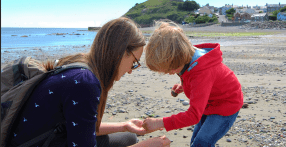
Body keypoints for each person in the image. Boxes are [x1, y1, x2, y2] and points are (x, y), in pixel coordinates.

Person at [10, 17, 171, 147]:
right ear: (122, 53)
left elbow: (81, 127)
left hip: (43, 138)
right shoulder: (85, 84)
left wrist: (124, 125)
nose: (130, 70)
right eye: (134, 62)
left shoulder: (79, 63)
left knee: (128, 136)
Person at [142, 21, 243, 147]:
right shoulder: (187, 58)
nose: (169, 73)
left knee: (202, 143)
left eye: (170, 70)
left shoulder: (202, 72)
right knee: (195, 140)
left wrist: (160, 122)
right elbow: (190, 76)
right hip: (210, 101)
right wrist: (184, 86)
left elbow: (194, 115)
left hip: (226, 105)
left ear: (177, 61)